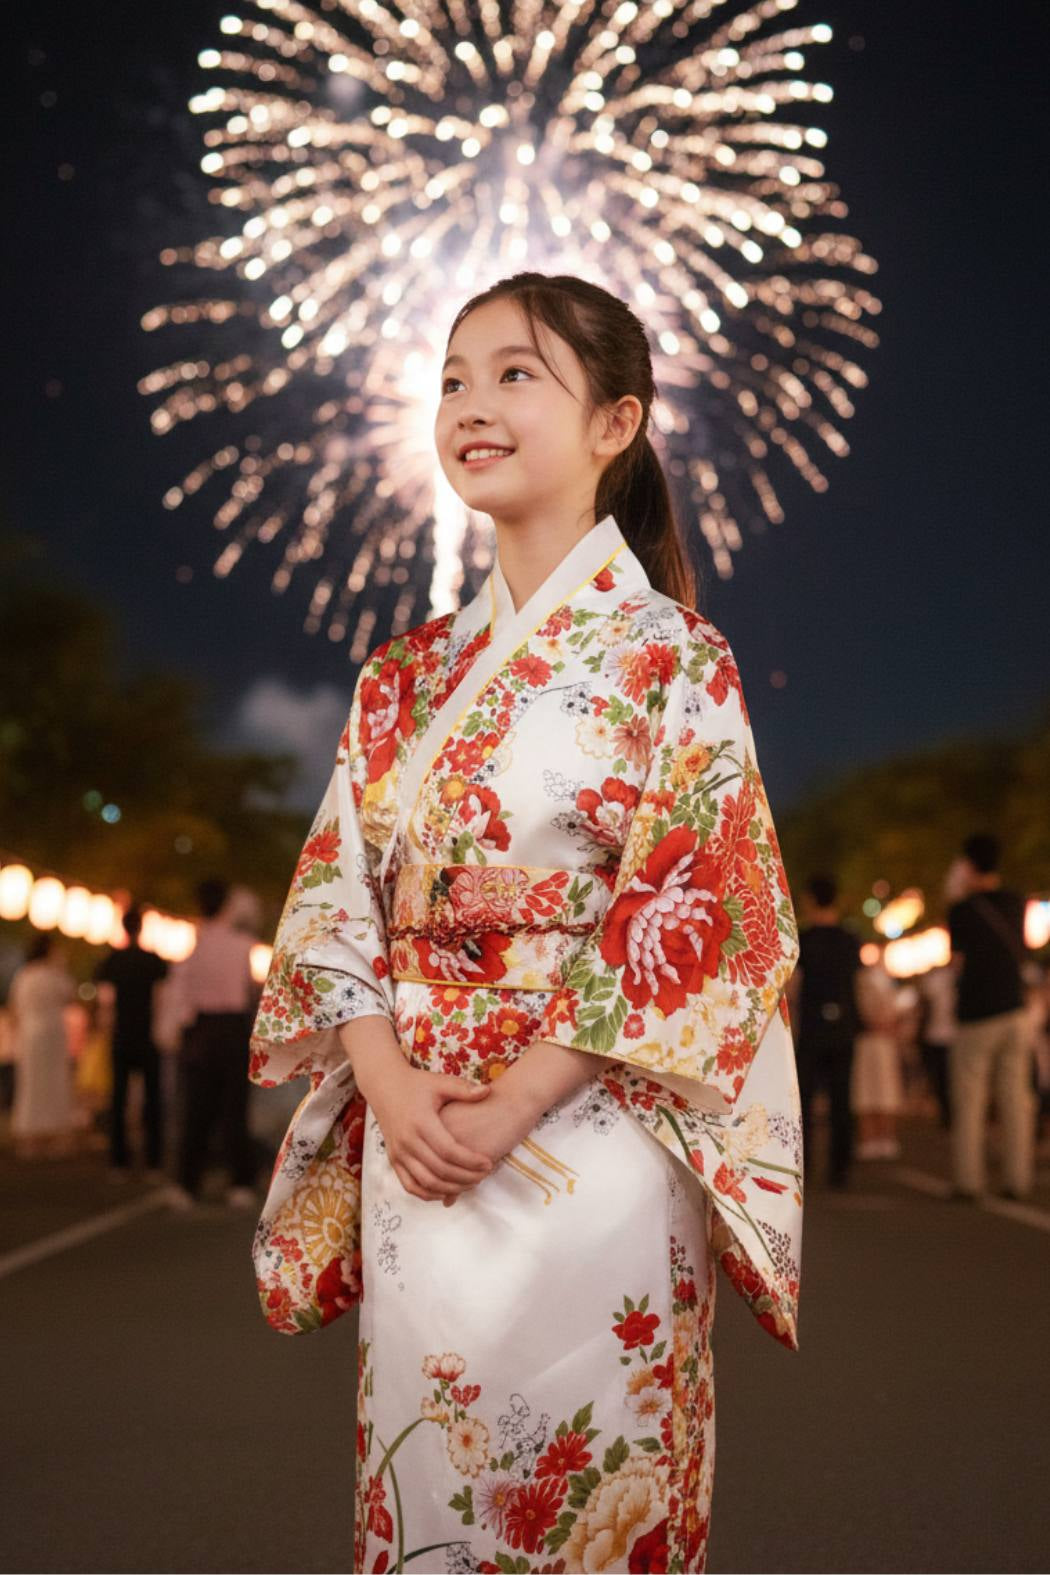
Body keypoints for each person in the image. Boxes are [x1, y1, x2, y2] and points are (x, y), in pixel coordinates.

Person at [248, 273, 803, 1573]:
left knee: (597, 1466)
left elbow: (696, 903)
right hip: (420, 1120)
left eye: (514, 374)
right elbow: (336, 898)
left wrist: (513, 1099)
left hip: (591, 1125)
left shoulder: (674, 655)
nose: (469, 405)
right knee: (427, 1467)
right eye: (451, 378)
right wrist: (388, 1084)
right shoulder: (399, 676)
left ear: (616, 422)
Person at [946, 833, 1035, 1201]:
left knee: (970, 1099)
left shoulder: (962, 909)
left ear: (967, 865)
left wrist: (954, 893)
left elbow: (956, 961)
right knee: (1015, 1097)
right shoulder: (1016, 901)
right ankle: (1018, 1178)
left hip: (977, 1014)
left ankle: (969, 1180)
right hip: (1015, 1009)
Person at [168, 877, 259, 1210]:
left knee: (196, 1110)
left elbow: (180, 998)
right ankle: (241, 1182)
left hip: (200, 1032)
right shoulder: (242, 945)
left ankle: (187, 1184)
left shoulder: (190, 945)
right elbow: (250, 993)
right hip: (233, 1029)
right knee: (235, 1109)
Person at [788, 874, 862, 1189]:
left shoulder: (803, 939)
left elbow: (793, 986)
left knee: (803, 1100)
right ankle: (840, 1169)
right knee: (841, 1099)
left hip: (812, 1027)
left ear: (810, 899)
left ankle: (802, 1166)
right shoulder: (850, 939)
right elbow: (859, 982)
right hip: (844, 1026)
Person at [92, 905, 169, 1181]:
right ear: (141, 927)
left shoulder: (112, 961)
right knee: (152, 1100)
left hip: (121, 1036)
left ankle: (118, 1161)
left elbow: (105, 1002)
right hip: (148, 1035)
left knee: (118, 1099)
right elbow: (163, 998)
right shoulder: (153, 961)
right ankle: (153, 1161)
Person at [8, 933, 77, 1160]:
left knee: (31, 1083)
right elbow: (70, 994)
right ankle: (54, 1133)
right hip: (52, 1033)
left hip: (29, 1034)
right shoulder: (53, 974)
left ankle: (30, 1135)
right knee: (54, 1081)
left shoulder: (24, 975)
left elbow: (14, 1007)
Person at [852, 940, 904, 1160]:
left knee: (882, 1089)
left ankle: (884, 1137)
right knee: (869, 1089)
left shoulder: (882, 979)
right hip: (870, 1038)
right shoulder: (866, 979)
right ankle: (871, 1138)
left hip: (880, 1039)